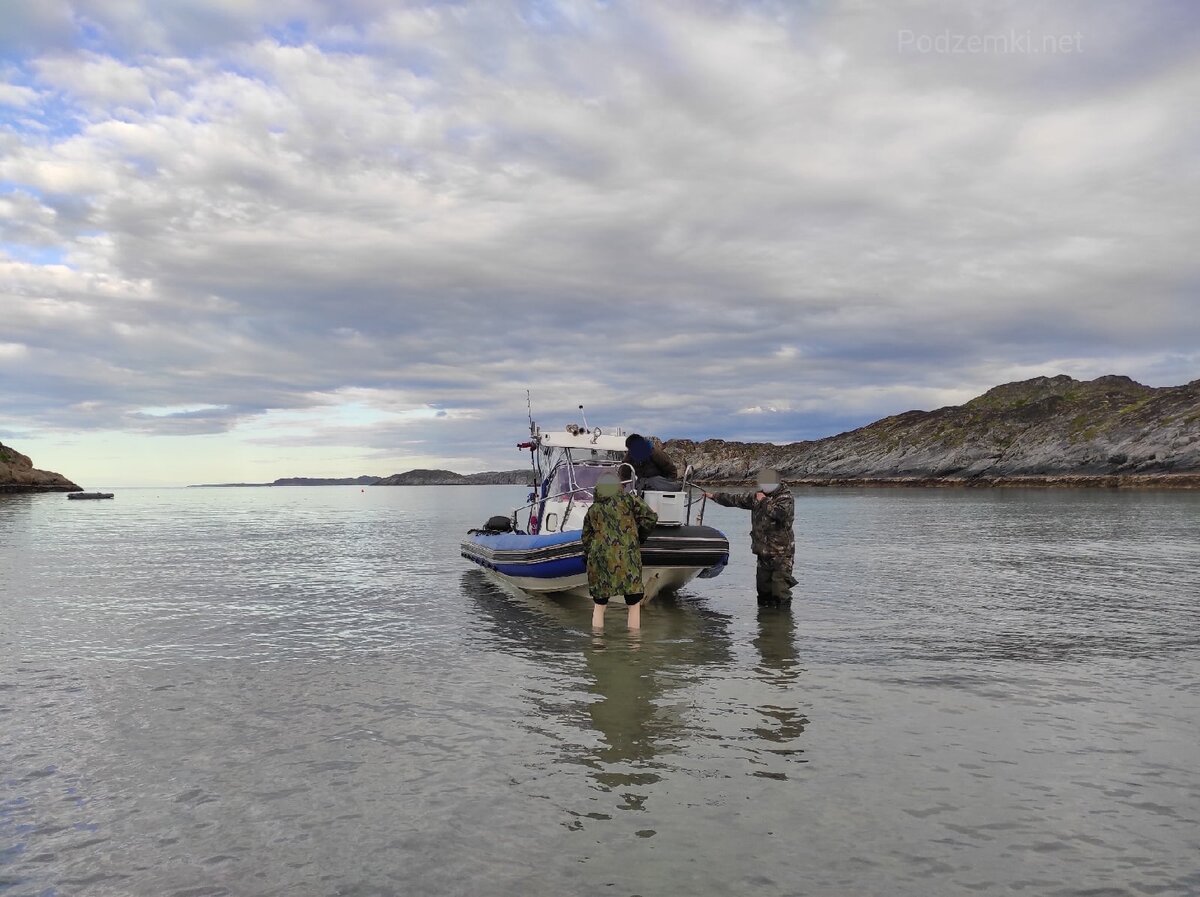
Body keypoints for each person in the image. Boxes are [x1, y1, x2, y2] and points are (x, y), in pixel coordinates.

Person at [705, 468, 797, 606]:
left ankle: (782, 624)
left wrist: (764, 501)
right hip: (763, 554)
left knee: (780, 593)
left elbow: (780, 515)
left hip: (782, 555)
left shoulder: (786, 498)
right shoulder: (757, 497)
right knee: (763, 593)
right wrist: (714, 496)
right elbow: (735, 500)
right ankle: (765, 625)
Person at [581, 472, 659, 630]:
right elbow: (651, 518)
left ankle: (597, 645)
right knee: (634, 604)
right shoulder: (629, 500)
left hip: (600, 560)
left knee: (599, 605)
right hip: (628, 557)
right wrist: (640, 537)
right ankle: (634, 646)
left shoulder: (593, 509)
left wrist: (587, 557)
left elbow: (586, 538)